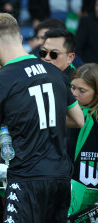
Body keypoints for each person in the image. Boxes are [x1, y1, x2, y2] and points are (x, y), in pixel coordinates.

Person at [0, 13, 84, 222]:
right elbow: (78, 120)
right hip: (60, 177)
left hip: (26, 178)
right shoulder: (54, 71)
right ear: (19, 38)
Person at [67, 63, 98, 213]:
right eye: (72, 87)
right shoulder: (67, 114)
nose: (74, 94)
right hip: (68, 195)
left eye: (82, 90)